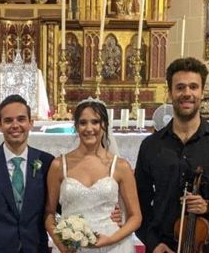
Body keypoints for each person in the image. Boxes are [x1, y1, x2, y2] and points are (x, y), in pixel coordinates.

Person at [135, 57, 209, 253]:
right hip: (162, 245)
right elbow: (139, 200)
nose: (187, 93)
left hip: (206, 242)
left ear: (202, 92)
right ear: (170, 92)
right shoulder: (151, 145)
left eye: (193, 87)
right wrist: (152, 243)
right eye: (180, 87)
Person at [45, 99, 142, 253]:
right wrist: (61, 244)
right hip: (72, 247)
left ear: (104, 125)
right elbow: (49, 213)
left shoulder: (120, 166)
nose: (89, 128)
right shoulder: (58, 165)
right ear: (76, 126)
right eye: (83, 123)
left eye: (95, 122)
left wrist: (111, 239)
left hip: (112, 245)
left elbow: (135, 216)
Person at [0, 94, 54, 253]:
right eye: (8, 120)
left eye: (21, 119)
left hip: (34, 247)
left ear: (31, 123)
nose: (15, 125)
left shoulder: (46, 162)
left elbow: (60, 205)